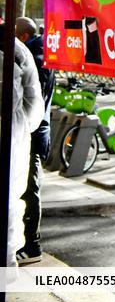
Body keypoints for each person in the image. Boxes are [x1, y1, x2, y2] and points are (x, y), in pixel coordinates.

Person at [0, 19, 43, 266]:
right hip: (13, 134)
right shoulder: (18, 49)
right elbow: (33, 103)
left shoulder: (16, 50)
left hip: (13, 133)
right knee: (8, 203)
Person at [15, 17, 53, 264]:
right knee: (28, 188)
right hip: (35, 132)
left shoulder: (34, 60)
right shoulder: (41, 55)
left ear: (24, 37)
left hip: (33, 134)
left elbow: (28, 100)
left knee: (30, 189)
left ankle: (32, 245)